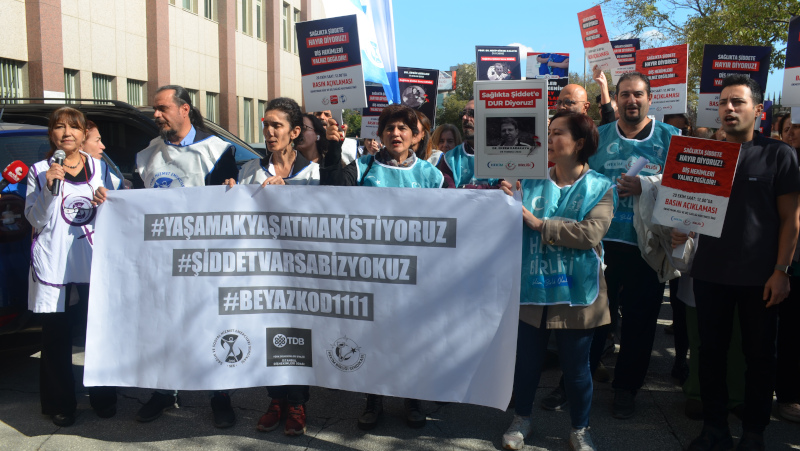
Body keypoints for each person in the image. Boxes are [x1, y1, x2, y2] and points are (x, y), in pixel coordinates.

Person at [94, 84, 239, 428]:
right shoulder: (147, 155)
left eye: (162, 108)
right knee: (163, 325)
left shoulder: (217, 151)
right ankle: (164, 390)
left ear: (184, 108)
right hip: (160, 261)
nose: (156, 115)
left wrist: (233, 192)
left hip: (203, 259)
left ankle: (219, 394)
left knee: (209, 326)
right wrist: (111, 200)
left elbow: (229, 202)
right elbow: (136, 203)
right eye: (155, 109)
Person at [682, 75, 800, 450]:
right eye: (723, 102)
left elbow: (791, 220)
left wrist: (781, 271)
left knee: (760, 357)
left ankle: (754, 432)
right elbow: (687, 210)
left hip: (761, 278)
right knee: (710, 353)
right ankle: (714, 429)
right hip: (710, 273)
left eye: (738, 102)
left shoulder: (779, 154)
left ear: (758, 110)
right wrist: (679, 227)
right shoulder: (705, 154)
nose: (729, 109)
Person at [320, 104, 442, 430]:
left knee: (413, 337)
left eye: (403, 128)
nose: (396, 133)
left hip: (416, 273)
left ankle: (412, 398)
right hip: (371, 273)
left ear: (415, 136)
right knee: (373, 336)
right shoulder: (364, 167)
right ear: (380, 133)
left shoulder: (431, 174)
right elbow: (332, 190)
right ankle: (373, 400)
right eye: (390, 127)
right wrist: (332, 146)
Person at [500, 111, 616, 451]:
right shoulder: (528, 181)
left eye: (558, 133)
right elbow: (507, 225)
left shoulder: (600, 187)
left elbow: (589, 234)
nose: (548, 139)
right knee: (526, 363)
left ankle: (580, 428)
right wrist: (506, 200)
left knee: (577, 368)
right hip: (533, 287)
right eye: (548, 133)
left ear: (579, 143)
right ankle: (521, 419)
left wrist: (540, 225)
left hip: (577, 291)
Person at [584, 72, 680, 420]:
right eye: (624, 94)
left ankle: (626, 388)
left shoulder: (671, 137)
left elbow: (685, 185)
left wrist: (647, 185)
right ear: (616, 99)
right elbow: (581, 177)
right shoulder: (599, 136)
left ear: (650, 99)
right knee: (591, 319)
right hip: (602, 243)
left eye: (638, 94)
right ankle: (576, 381)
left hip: (646, 246)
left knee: (640, 322)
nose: (631, 100)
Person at [224, 98, 316, 436]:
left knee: (298, 334)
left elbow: (324, 218)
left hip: (301, 269)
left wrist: (290, 191)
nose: (269, 131)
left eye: (277, 125)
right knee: (268, 331)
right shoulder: (250, 169)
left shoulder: (313, 172)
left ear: (294, 131)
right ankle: (275, 399)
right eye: (266, 125)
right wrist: (230, 195)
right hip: (261, 268)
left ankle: (298, 403)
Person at [25, 107, 120, 427]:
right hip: (56, 262)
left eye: (74, 127)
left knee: (98, 331)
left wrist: (107, 199)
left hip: (92, 258)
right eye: (59, 127)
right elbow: (35, 219)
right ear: (51, 134)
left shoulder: (99, 167)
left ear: (83, 135)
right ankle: (60, 403)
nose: (67, 133)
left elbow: (118, 207)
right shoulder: (39, 171)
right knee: (56, 336)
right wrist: (49, 190)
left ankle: (104, 398)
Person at [775, 112, 800, 424]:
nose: (792, 133)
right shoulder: (779, 163)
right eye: (787, 129)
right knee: (790, 333)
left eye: (796, 128)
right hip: (790, 265)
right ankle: (788, 394)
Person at [436, 99, 500, 189]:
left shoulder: (504, 153)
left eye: (472, 113)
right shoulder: (450, 158)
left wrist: (466, 188)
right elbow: (449, 193)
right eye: (463, 113)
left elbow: (507, 188)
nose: (464, 118)